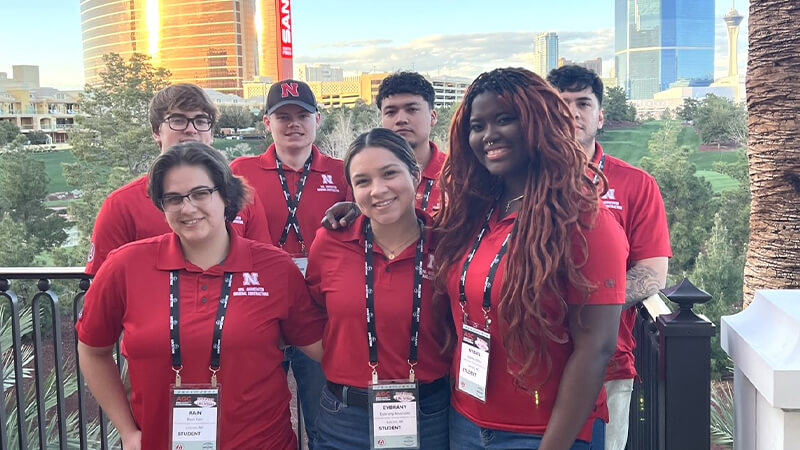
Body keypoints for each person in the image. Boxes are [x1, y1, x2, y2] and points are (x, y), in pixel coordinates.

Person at [76, 142, 325, 449]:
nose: (188, 207)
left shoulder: (274, 267)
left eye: (200, 193)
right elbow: (92, 350)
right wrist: (127, 430)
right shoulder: (125, 265)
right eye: (174, 198)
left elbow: (323, 347)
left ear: (225, 195)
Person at [436, 67, 628, 449]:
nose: (488, 135)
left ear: (539, 123)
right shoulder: (473, 211)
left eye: (504, 119)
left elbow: (597, 347)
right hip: (465, 424)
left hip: (543, 435)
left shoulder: (585, 220)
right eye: (477, 125)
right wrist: (359, 212)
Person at [547, 65, 671, 450]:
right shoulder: (515, 179)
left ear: (600, 116)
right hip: (529, 365)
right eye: (560, 104)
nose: (572, 112)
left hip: (608, 363)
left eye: (583, 103)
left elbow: (652, 272)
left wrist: (589, 304)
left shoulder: (635, 183)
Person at [306, 128, 450, 449]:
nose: (378, 190)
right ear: (352, 191)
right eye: (363, 181)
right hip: (345, 417)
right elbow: (310, 316)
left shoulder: (448, 245)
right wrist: (343, 356)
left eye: (389, 174)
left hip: (428, 414)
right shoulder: (330, 243)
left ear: (415, 177)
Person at [230, 79, 348, 448]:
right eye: (283, 116)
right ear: (267, 123)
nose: (293, 124)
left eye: (302, 115)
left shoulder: (342, 172)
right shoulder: (240, 170)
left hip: (318, 311)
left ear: (318, 120)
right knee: (258, 410)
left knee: (322, 412)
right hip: (259, 306)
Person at [85, 83, 271, 275]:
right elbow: (103, 284)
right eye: (178, 120)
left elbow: (263, 267)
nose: (191, 130)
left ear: (211, 132)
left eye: (201, 120)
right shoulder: (121, 205)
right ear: (156, 132)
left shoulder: (241, 194)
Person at [322, 72, 445, 229]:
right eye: (391, 112)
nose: (401, 119)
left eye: (412, 109)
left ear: (433, 117)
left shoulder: (459, 174)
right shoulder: (361, 174)